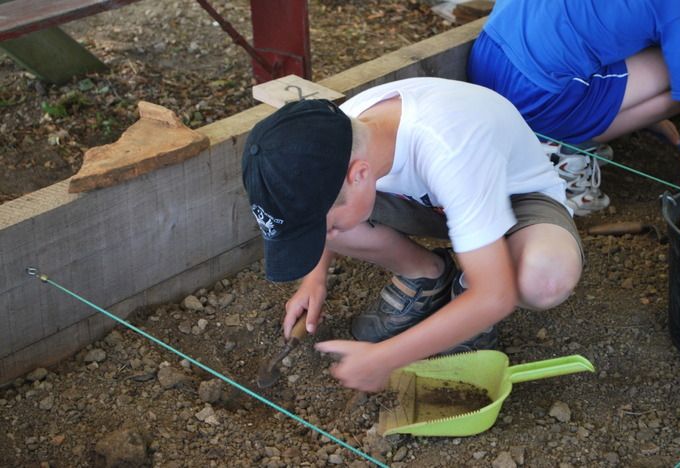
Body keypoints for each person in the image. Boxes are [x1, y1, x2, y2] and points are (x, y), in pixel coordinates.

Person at [242, 77, 583, 392]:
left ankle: (468, 288)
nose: (328, 235)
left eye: (327, 227)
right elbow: (316, 213)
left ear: (359, 175)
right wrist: (314, 279)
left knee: (543, 278)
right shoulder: (333, 138)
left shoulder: (449, 147)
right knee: (332, 220)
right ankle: (428, 274)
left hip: (512, 203)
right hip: (436, 204)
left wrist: (386, 358)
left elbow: (497, 295)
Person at [467, 0, 680, 216]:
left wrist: (651, 118)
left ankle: (577, 125)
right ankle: (560, 148)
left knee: (674, 50)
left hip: (488, 56)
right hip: (538, 94)